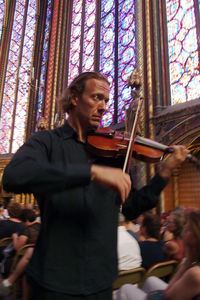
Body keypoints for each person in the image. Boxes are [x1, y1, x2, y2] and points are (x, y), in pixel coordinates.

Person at [2, 71, 189, 300]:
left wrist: (164, 174)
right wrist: (90, 172)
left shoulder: (112, 153)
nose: (103, 107)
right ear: (74, 98)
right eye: (96, 98)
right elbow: (13, 176)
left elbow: (129, 208)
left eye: (106, 101)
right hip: (53, 282)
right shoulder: (46, 142)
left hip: (100, 282)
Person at [115, 209, 200, 300]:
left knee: (126, 288)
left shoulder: (195, 274)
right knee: (150, 280)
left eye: (188, 228)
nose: (184, 231)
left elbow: (168, 295)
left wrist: (188, 262)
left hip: (169, 295)